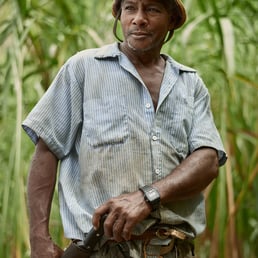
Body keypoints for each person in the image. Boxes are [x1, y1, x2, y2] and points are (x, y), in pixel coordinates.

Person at [22, 0, 227, 257]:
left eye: (152, 9)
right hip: (99, 250)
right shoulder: (84, 68)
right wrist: (38, 239)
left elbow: (207, 161)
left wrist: (147, 197)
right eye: (130, 8)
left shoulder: (190, 84)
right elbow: (46, 151)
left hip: (174, 249)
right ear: (119, 15)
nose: (139, 19)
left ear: (172, 20)